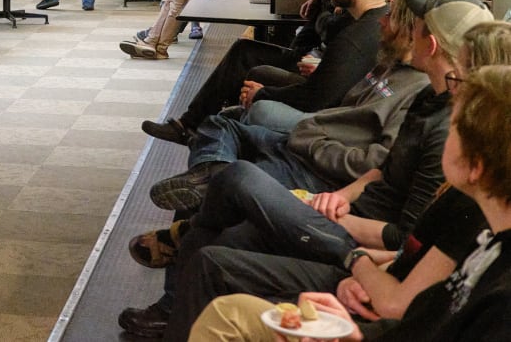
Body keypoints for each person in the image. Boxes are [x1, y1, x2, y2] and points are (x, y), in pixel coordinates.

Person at [117, 0, 494, 339]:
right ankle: (183, 267)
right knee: (221, 230)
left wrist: (340, 231)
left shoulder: (450, 143)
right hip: (345, 215)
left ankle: (195, 219)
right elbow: (385, 177)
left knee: (237, 178)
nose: (401, 26)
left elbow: (401, 247)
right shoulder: (430, 100)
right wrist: (341, 198)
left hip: (347, 232)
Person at [186, 63, 511, 342]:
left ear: (476, 165)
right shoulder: (490, 242)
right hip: (373, 300)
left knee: (239, 189)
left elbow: (404, 300)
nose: (445, 136)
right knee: (227, 293)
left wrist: (355, 260)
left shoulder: (499, 294)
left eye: (453, 129)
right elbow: (420, 317)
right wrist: (358, 332)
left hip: (366, 272)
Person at [141, 0, 400, 145]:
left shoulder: (355, 37)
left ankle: (209, 133)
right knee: (247, 55)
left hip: (326, 117)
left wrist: (262, 93)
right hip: (322, 88)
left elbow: (315, 98)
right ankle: (198, 129)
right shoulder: (368, 21)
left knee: (253, 85)